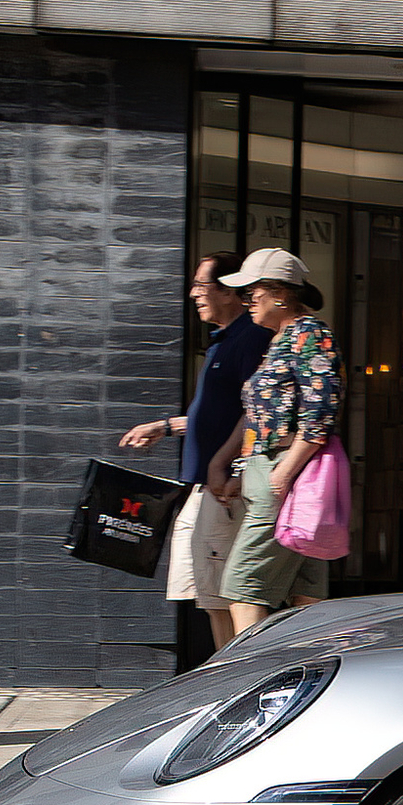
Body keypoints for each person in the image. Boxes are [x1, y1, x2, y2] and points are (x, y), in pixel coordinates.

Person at [119, 251, 272, 646]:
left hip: (224, 490)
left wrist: (231, 470)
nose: (193, 294)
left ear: (229, 291)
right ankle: (227, 673)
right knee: (209, 595)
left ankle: (240, 677)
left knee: (228, 594)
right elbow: (218, 417)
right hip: (205, 487)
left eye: (201, 286)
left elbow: (256, 413)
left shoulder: (250, 339)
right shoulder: (224, 341)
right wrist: (166, 427)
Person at [214, 248, 341, 633]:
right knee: (305, 598)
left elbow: (321, 411)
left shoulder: (309, 334)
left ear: (280, 294)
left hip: (286, 477)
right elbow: (264, 417)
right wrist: (243, 470)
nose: (245, 301)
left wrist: (283, 471)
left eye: (252, 294)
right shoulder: (281, 339)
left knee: (244, 588)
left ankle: (248, 679)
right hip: (276, 474)